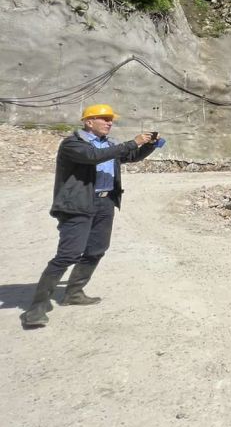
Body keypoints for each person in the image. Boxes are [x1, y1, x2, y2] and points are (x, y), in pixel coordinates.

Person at [21, 104, 158, 329]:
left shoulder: (109, 145)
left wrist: (150, 145)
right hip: (78, 204)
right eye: (103, 119)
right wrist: (133, 142)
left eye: (110, 120)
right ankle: (37, 307)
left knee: (96, 250)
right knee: (68, 255)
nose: (109, 123)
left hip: (105, 203)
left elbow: (129, 156)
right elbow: (93, 157)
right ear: (88, 122)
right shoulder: (72, 144)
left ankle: (73, 292)